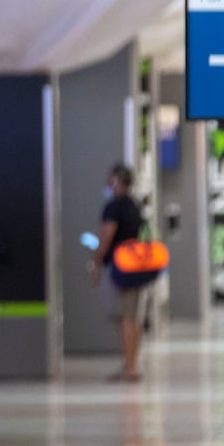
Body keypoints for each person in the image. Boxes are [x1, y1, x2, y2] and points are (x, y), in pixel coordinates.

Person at [91, 164, 144, 382]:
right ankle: (130, 365)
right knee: (132, 316)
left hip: (120, 267)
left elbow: (106, 236)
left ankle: (129, 368)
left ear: (116, 181)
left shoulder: (113, 207)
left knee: (124, 318)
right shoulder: (133, 206)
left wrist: (96, 261)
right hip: (137, 266)